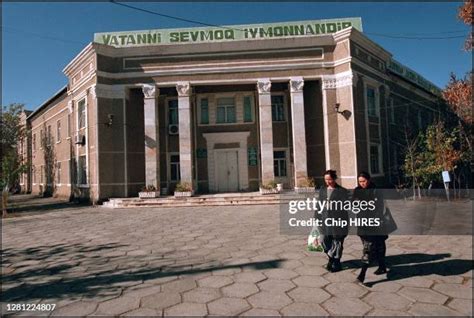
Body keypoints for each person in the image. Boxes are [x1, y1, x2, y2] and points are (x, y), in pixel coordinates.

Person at [353, 171, 388, 283]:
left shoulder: (376, 190)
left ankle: (362, 275)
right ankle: (382, 266)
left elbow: (380, 207)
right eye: (360, 181)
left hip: (373, 223)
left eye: (364, 181)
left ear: (369, 179)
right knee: (377, 246)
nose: (362, 183)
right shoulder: (357, 190)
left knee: (369, 249)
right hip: (362, 223)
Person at [316, 170, 349, 272]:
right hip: (325, 219)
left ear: (334, 178)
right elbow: (318, 205)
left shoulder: (342, 191)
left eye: (329, 179)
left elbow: (345, 206)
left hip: (338, 219)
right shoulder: (323, 189)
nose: (328, 181)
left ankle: (336, 262)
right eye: (326, 179)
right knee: (323, 240)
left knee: (337, 242)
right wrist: (316, 218)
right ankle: (331, 258)